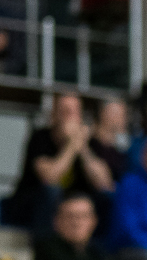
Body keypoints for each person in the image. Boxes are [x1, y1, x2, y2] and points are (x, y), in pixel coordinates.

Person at [6, 94, 114, 235]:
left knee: (106, 197)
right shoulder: (40, 138)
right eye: (64, 111)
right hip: (35, 205)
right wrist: (71, 146)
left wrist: (83, 148)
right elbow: (50, 178)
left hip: (75, 203)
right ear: (54, 115)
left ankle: (98, 246)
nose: (69, 117)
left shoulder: (90, 142)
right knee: (51, 191)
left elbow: (105, 183)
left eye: (73, 112)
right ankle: (46, 242)